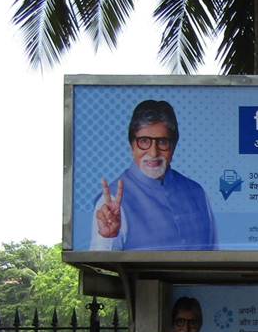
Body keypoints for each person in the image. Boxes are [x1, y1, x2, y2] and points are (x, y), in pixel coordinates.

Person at [91, 99, 218, 250]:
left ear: (174, 146)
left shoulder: (197, 193)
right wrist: (108, 237)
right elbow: (102, 267)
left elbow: (215, 255)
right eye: (144, 141)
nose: (153, 153)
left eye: (162, 142)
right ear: (132, 145)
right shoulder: (111, 202)